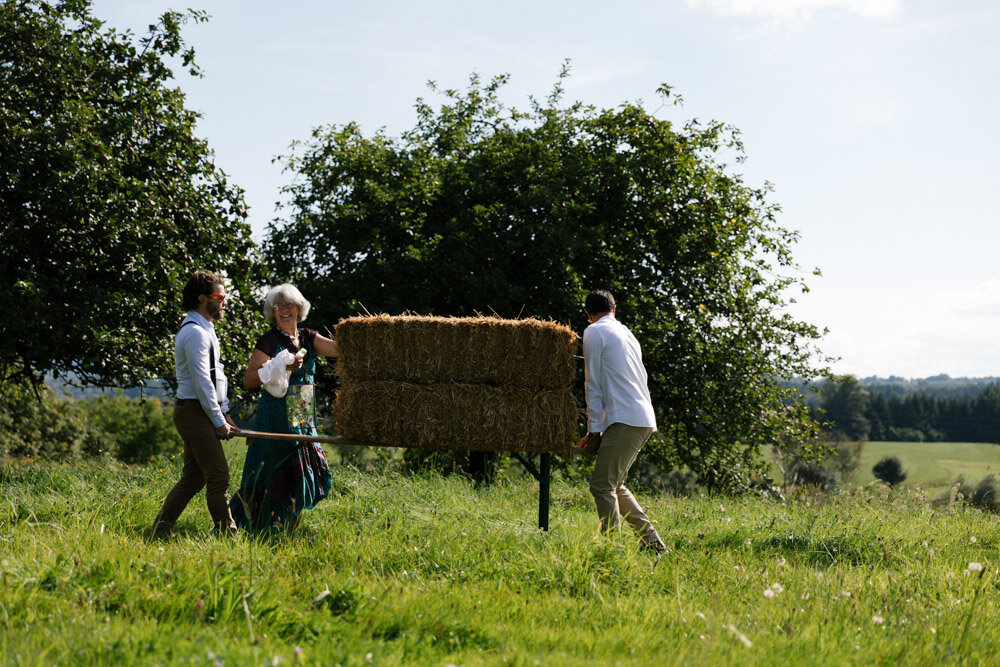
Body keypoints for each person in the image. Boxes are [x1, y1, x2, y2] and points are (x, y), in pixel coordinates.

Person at [230, 283, 338, 531]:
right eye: (277, 306)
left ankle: (290, 525)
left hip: (302, 411)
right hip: (276, 413)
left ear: (299, 307)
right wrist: (281, 367)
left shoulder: (308, 337)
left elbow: (338, 350)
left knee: (301, 465)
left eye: (289, 304)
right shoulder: (269, 340)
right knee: (271, 467)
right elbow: (248, 380)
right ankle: (253, 525)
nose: (284, 310)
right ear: (272, 312)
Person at [575, 289, 667, 555]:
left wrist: (594, 432)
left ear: (588, 315)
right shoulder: (627, 334)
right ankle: (652, 544)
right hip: (642, 417)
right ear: (614, 309)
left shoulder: (593, 332)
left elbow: (592, 383)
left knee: (601, 485)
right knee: (614, 484)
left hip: (625, 418)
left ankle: (609, 551)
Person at [153, 270, 242, 536]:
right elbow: (203, 382)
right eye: (220, 296)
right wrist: (217, 420)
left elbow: (217, 374)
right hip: (194, 412)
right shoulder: (194, 333)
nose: (225, 301)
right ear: (203, 298)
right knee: (218, 476)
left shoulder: (206, 329)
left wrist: (224, 413)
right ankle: (227, 534)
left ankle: (161, 528)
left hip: (200, 410)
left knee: (193, 479)